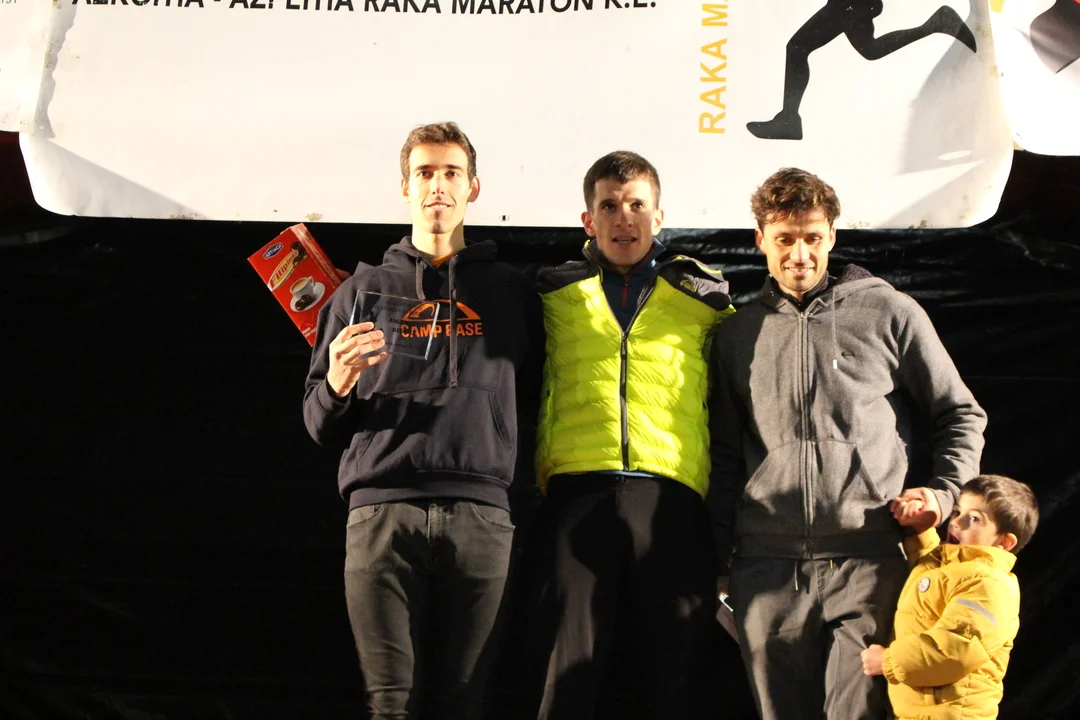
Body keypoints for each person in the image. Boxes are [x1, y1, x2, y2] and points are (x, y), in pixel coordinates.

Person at [708, 167, 987, 720]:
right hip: (767, 566)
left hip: (870, 559)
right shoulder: (737, 333)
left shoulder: (889, 311)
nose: (800, 254)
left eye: (813, 237)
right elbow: (723, 453)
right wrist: (717, 559)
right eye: (785, 239)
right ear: (760, 240)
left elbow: (960, 413)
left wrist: (943, 495)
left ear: (833, 236)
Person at [302, 121, 544, 719]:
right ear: (405, 187)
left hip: (483, 516)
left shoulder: (513, 293)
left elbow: (539, 401)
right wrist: (337, 383)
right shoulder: (360, 292)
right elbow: (317, 423)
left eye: (451, 173)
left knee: (465, 703)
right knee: (390, 705)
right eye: (425, 173)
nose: (438, 185)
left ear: (474, 188)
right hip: (381, 514)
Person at [528, 150, 735, 719]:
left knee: (677, 678)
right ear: (588, 220)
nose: (624, 218)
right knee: (566, 672)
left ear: (659, 216)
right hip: (577, 491)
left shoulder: (703, 296)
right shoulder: (551, 292)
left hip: (671, 498)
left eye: (637, 205)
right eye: (610, 206)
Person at [861, 474, 1040, 720]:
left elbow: (956, 648)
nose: (956, 522)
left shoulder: (988, 583)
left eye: (974, 518)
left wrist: (888, 661)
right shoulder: (950, 566)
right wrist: (921, 531)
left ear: (1004, 542)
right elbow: (931, 579)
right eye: (957, 512)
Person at [747, 0, 976, 140]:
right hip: (851, 3)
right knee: (870, 49)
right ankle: (937, 23)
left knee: (798, 48)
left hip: (849, 3)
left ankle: (789, 120)